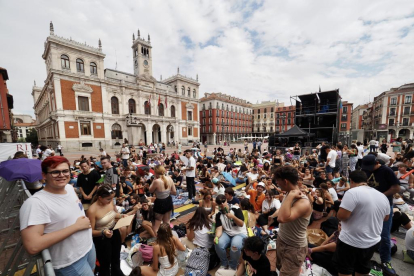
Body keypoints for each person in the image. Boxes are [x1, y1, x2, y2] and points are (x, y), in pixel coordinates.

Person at [19, 156, 95, 275]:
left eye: (65, 171)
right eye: (55, 172)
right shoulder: (35, 203)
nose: (61, 175)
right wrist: (76, 227)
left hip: (88, 248)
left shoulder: (70, 189)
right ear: (44, 175)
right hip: (70, 262)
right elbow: (33, 246)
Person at [334, 170, 390, 276]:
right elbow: (386, 218)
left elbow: (341, 216)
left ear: (351, 181)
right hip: (372, 241)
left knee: (345, 271)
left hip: (351, 241)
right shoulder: (382, 196)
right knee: (362, 270)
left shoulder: (352, 192)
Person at [361, 155, 401, 275]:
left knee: (384, 234)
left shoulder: (387, 170)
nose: (368, 170)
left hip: (384, 206)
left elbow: (396, 188)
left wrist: (380, 195)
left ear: (377, 162)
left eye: (370, 167)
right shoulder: (365, 170)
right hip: (369, 205)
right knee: (367, 231)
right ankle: (364, 258)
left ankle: (386, 261)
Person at [87, 185, 135, 276]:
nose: (111, 201)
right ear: (100, 198)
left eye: (112, 198)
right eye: (108, 199)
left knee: (116, 257)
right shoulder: (92, 210)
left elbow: (113, 215)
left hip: (114, 231)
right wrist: (103, 232)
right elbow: (90, 232)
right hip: (101, 237)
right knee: (105, 262)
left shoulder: (110, 202)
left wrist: (121, 216)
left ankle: (116, 272)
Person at [274, 165, 312, 276]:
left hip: (294, 248)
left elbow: (281, 219)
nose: (277, 184)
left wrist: (290, 196)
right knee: (279, 268)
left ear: (285, 181)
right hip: (282, 239)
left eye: (278, 181)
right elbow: (282, 211)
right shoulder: (288, 193)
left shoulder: (302, 202)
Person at [214, 194, 247, 271]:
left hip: (240, 233)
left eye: (223, 201)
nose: (222, 204)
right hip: (228, 233)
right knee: (218, 243)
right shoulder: (219, 214)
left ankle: (233, 265)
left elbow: (241, 224)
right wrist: (216, 237)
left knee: (234, 246)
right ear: (218, 205)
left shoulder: (236, 209)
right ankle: (224, 263)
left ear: (226, 200)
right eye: (219, 203)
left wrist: (233, 217)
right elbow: (219, 229)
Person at [149, 165, 177, 233]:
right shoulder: (169, 178)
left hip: (160, 202)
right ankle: (168, 237)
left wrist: (154, 180)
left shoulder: (156, 181)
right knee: (167, 222)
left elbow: (150, 190)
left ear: (155, 173)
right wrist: (166, 192)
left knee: (157, 224)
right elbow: (174, 192)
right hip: (168, 200)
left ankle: (157, 240)